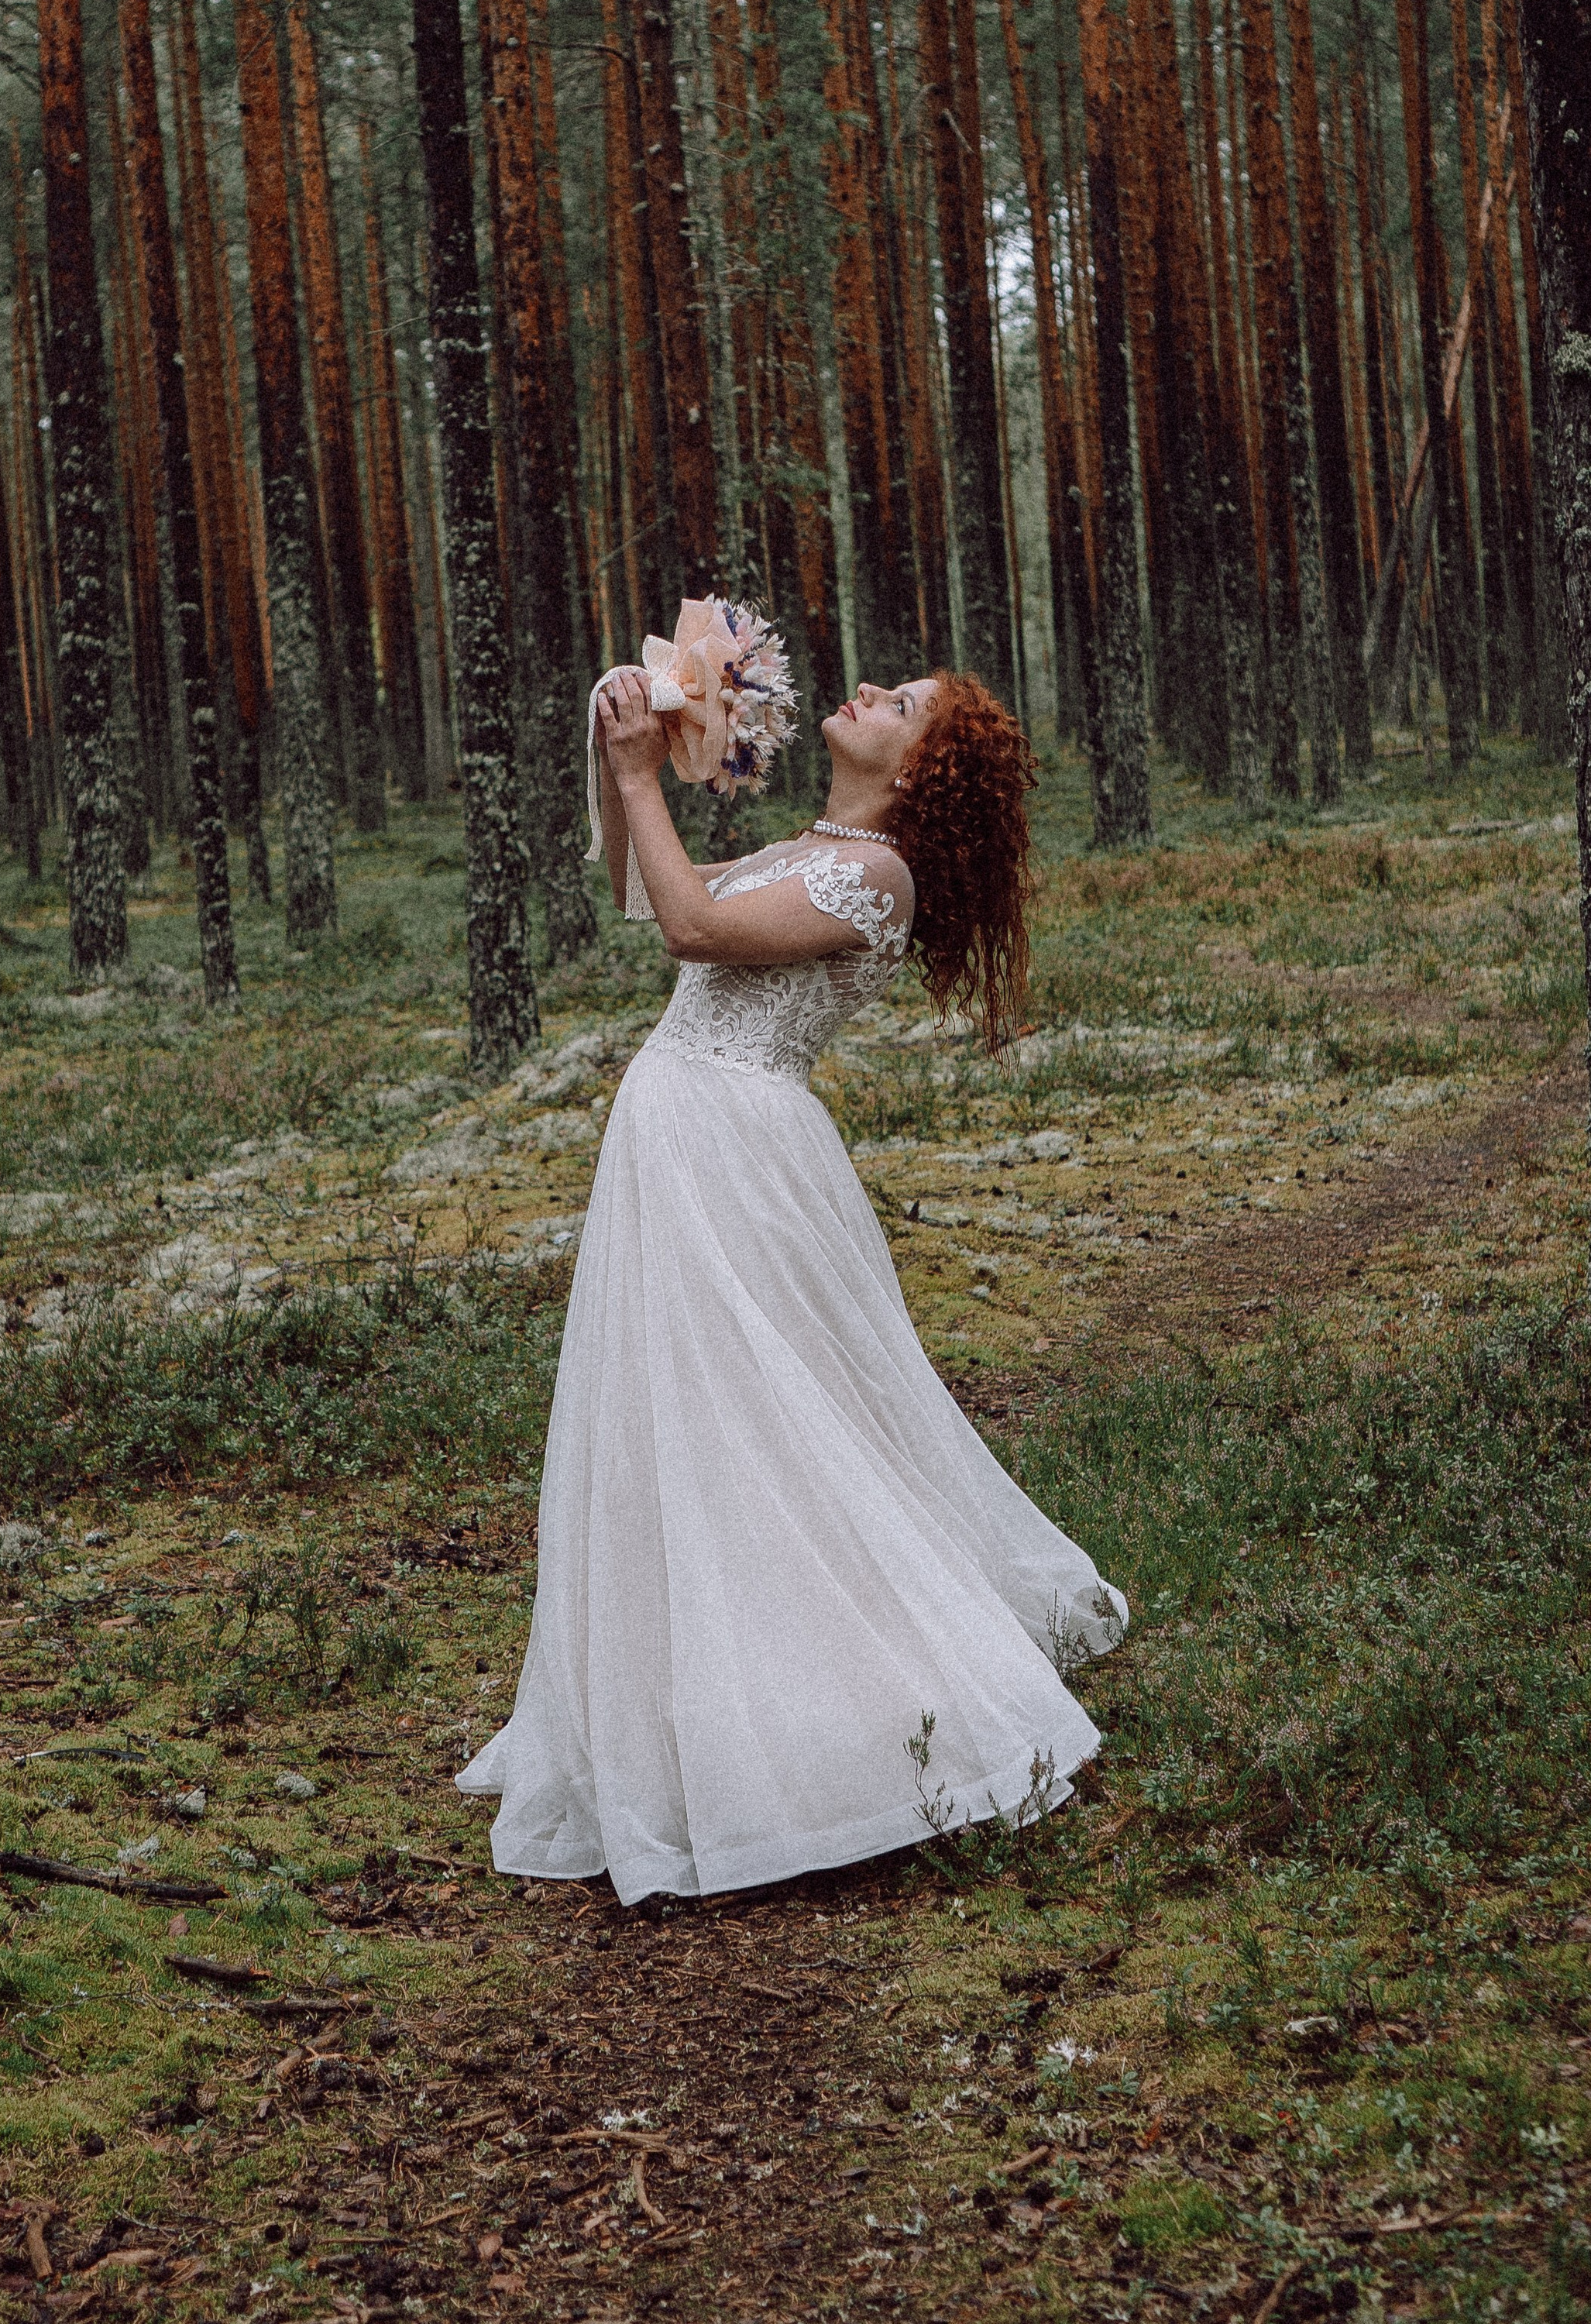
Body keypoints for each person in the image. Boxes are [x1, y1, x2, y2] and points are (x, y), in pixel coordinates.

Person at [455, 669, 1126, 1904]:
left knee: (774, 1422)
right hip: (681, 1135)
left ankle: (839, 1717)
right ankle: (699, 1705)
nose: (868, 689)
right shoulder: (809, 842)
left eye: (901, 702)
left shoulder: (880, 876)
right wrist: (626, 755)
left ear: (918, 767)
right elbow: (641, 889)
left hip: (736, 1154)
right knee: (687, 1425)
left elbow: (695, 933)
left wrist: (647, 783)